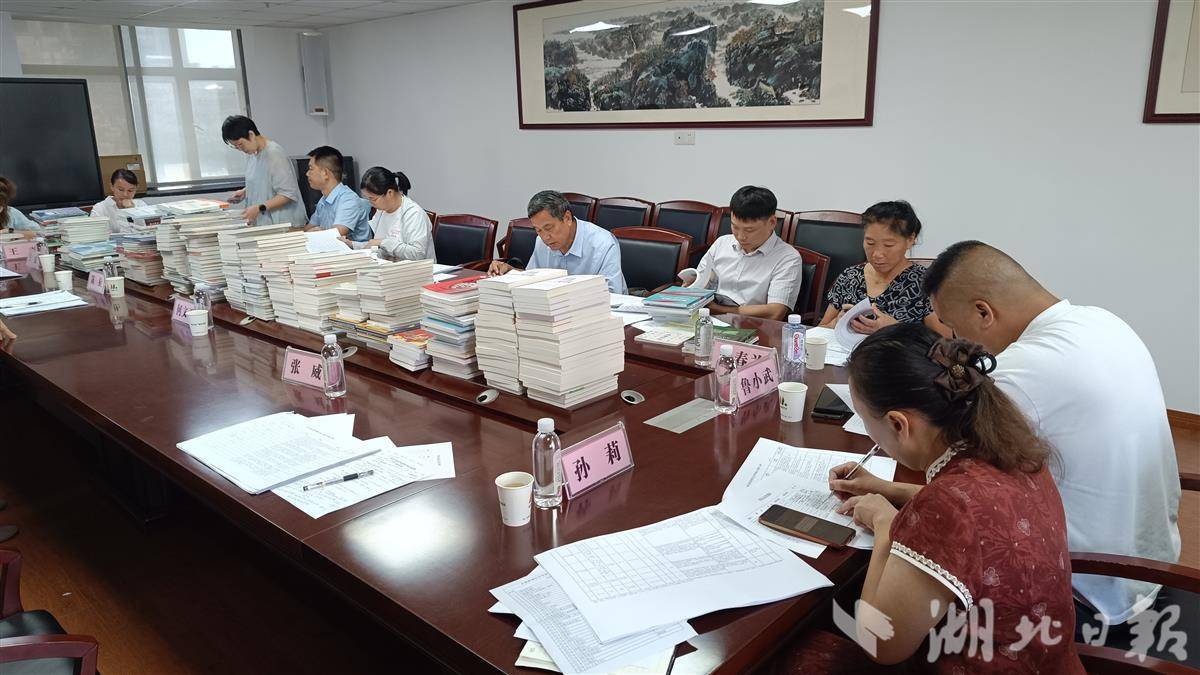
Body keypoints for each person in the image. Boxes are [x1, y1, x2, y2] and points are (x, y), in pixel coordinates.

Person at [776, 324, 1084, 673]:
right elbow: (982, 509)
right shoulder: (1010, 446)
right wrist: (887, 489)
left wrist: (886, 527)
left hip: (982, 662)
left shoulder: (948, 504)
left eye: (864, 420)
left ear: (898, 424)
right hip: (1048, 656)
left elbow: (881, 644)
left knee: (790, 653)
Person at [920, 241, 1182, 640]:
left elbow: (947, 471)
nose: (956, 339)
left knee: (926, 563)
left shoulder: (1019, 371)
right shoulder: (1103, 320)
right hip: (1156, 560)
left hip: (1094, 589)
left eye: (954, 327)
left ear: (983, 312)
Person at [818, 201, 947, 336]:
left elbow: (945, 343)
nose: (877, 254)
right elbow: (820, 331)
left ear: (910, 240)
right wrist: (836, 323)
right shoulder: (850, 277)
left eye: (888, 245)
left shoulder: (927, 284)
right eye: (870, 243)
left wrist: (896, 329)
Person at [692, 186, 802, 321]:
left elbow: (775, 312)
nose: (741, 236)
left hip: (754, 327)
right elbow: (699, 282)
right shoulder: (722, 243)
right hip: (706, 320)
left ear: (772, 222)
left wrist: (719, 310)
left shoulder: (788, 258)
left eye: (749, 230)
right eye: (735, 227)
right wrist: (691, 286)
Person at [488, 190, 627, 294]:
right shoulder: (541, 242)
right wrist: (510, 271)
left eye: (549, 228)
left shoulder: (603, 243)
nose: (545, 237)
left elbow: (613, 296)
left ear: (567, 218)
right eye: (538, 230)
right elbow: (533, 279)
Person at [221, 115, 307, 227]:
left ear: (251, 135)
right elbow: (265, 180)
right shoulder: (254, 154)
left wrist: (259, 208)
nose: (241, 149)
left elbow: (288, 194)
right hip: (265, 223)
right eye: (236, 147)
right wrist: (245, 191)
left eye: (240, 144)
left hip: (284, 224)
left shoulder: (274, 154)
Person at [349, 167, 434, 260]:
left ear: (389, 193)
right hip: (387, 266)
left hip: (415, 268)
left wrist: (383, 242)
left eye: (373, 199)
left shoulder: (413, 214)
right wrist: (352, 245)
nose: (370, 203)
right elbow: (375, 245)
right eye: (367, 198)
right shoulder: (381, 211)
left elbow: (418, 254)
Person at [303, 146, 371, 243]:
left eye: (311, 169)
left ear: (325, 173)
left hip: (352, 251)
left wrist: (312, 234)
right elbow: (308, 229)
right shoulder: (323, 200)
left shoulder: (348, 199)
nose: (307, 174)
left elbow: (337, 234)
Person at [91, 168, 149, 233]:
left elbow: (148, 229)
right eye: (121, 190)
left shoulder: (141, 205)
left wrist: (132, 210)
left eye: (130, 190)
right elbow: (95, 233)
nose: (125, 194)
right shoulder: (100, 208)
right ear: (112, 187)